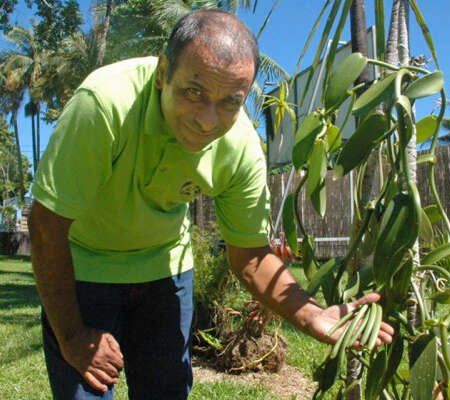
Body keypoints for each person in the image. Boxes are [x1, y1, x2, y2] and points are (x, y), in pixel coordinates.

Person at [29, 9, 394, 400]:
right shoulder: (104, 106)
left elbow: (251, 255)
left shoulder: (240, 147)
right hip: (84, 267)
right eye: (193, 92)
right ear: (163, 71)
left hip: (165, 273)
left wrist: (314, 315)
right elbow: (47, 227)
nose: (208, 120)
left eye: (230, 102)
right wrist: (71, 336)